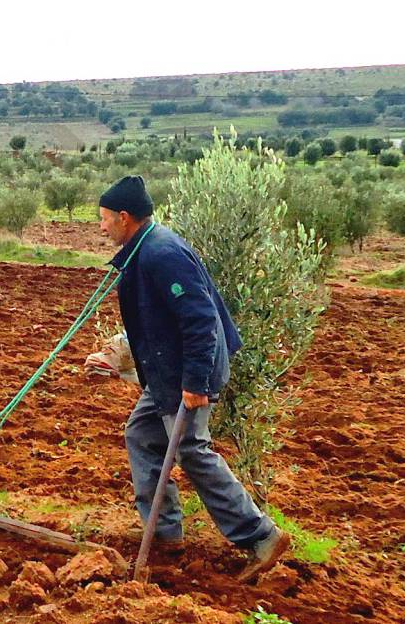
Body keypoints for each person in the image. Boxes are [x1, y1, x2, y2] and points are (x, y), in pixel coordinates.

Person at [96, 175, 290, 583]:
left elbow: (201, 320)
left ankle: (260, 536)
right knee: (143, 435)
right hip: (166, 374)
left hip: (186, 373)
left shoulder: (162, 253)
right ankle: (164, 533)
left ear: (124, 217)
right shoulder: (142, 250)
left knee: (192, 451)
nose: (102, 228)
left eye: (105, 220)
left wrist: (197, 382)